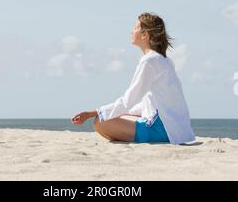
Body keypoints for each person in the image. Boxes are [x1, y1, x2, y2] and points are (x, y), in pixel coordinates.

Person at [71, 12, 196, 145]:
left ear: (144, 34)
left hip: (162, 130)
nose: (132, 31)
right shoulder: (164, 60)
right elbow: (147, 104)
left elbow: (128, 101)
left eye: (135, 28)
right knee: (116, 115)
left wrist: (90, 113)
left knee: (100, 121)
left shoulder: (149, 61)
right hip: (175, 129)